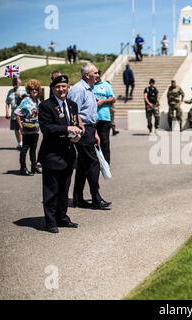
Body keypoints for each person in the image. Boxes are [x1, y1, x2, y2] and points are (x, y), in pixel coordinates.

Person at [38, 75, 82, 233]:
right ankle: (50, 221)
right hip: (52, 154)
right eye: (58, 87)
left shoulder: (72, 105)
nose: (61, 89)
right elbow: (47, 128)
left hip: (68, 153)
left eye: (64, 86)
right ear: (52, 89)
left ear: (68, 88)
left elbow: (75, 124)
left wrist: (77, 136)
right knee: (51, 190)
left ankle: (62, 217)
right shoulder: (45, 106)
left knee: (64, 189)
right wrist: (66, 129)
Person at [68, 63, 112, 210]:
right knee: (93, 164)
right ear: (87, 75)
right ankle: (96, 198)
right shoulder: (78, 89)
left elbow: (90, 113)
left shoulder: (89, 89)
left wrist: (95, 132)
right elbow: (74, 111)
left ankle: (78, 198)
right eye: (95, 73)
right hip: (83, 129)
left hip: (90, 129)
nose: (98, 75)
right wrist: (82, 129)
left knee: (82, 165)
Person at [14, 79, 42, 176]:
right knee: (25, 148)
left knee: (33, 148)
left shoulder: (37, 101)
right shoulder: (26, 100)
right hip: (27, 129)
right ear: (29, 90)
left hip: (35, 129)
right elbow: (17, 113)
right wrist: (21, 126)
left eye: (36, 89)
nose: (34, 91)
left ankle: (34, 166)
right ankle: (23, 168)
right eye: (32, 89)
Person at [93, 70, 116, 164]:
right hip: (92, 119)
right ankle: (95, 162)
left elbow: (113, 98)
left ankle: (106, 163)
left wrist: (103, 101)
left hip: (104, 118)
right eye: (95, 74)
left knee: (105, 142)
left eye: (98, 74)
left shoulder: (106, 85)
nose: (97, 76)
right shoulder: (89, 85)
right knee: (92, 142)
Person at [6, 77, 27, 150]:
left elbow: (27, 100)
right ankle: (19, 143)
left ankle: (25, 143)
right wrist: (7, 112)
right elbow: (7, 102)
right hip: (13, 113)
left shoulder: (24, 89)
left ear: (19, 83)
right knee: (16, 129)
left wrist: (20, 96)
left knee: (23, 128)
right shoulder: (10, 91)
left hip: (22, 112)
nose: (14, 84)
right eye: (13, 83)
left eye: (16, 83)